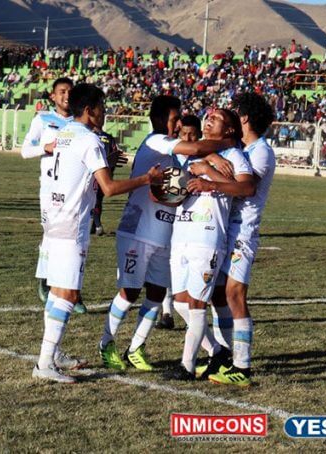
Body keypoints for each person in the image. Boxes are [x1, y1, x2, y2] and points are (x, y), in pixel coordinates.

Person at [32, 83, 163, 384]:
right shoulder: (89, 140)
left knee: (56, 291)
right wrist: (147, 178)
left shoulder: (63, 134)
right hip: (71, 224)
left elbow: (82, 175)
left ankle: (52, 354)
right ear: (90, 110)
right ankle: (44, 363)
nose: (105, 113)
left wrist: (104, 164)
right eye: (102, 107)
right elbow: (109, 189)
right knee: (68, 293)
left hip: (53, 220)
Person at [98, 97, 236, 373]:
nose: (178, 124)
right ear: (161, 119)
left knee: (158, 292)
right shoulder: (156, 140)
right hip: (137, 231)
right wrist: (224, 145)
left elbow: (195, 156)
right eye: (175, 119)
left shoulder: (174, 152)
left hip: (164, 234)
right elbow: (196, 147)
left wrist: (212, 157)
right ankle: (106, 343)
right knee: (129, 291)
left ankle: (136, 347)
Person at [169, 108, 255, 380]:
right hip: (181, 234)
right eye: (208, 115)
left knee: (196, 304)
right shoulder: (193, 153)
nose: (209, 118)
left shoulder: (235, 156)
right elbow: (178, 185)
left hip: (207, 237)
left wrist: (208, 173)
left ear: (229, 130)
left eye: (216, 118)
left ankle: (186, 366)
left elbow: (245, 188)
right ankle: (217, 350)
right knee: (180, 303)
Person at [205, 93, 276, 387]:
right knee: (218, 294)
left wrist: (209, 170)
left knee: (235, 294)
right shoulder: (241, 147)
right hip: (225, 229)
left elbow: (245, 188)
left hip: (243, 232)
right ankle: (223, 356)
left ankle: (243, 366)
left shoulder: (261, 151)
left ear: (244, 118)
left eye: (236, 112)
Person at [21, 77, 88, 312]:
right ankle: (47, 281)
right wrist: (45, 148)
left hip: (77, 190)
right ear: (52, 96)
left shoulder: (81, 123)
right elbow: (25, 150)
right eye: (61, 91)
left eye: (70, 91)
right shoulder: (43, 119)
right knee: (52, 236)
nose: (66, 96)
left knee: (77, 239)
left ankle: (73, 290)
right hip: (50, 189)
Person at [156, 114, 202, 331]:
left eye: (192, 134)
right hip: (169, 217)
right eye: (184, 134)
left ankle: (192, 309)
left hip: (193, 223)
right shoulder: (171, 156)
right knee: (167, 263)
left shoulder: (203, 158)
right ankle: (166, 311)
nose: (188, 137)